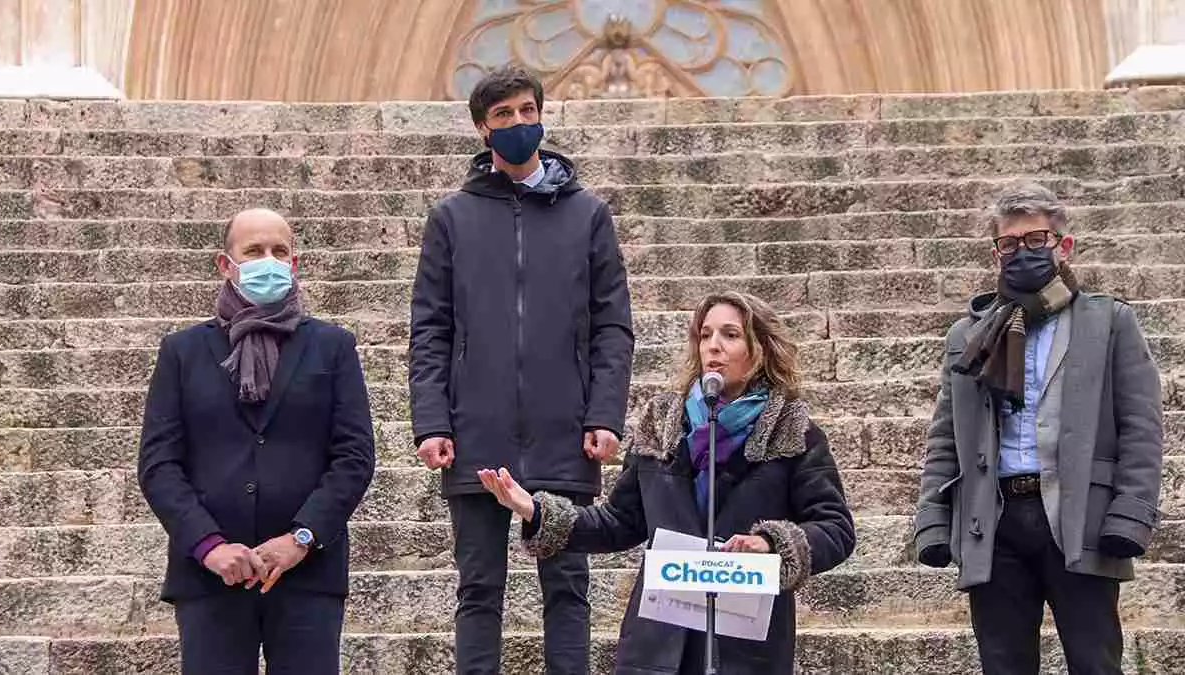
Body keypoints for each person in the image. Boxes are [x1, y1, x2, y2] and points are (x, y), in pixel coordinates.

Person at [476, 291, 856, 675]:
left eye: (730, 335)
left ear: (760, 349)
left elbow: (836, 528)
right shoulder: (662, 424)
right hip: (659, 645)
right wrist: (536, 511)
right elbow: (619, 522)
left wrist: (770, 544)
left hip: (745, 648)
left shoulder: (792, 431)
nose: (714, 346)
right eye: (705, 335)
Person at [408, 65, 634, 674]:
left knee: (567, 588)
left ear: (542, 116)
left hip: (566, 432)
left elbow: (613, 324)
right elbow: (430, 329)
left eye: (526, 112)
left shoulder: (588, 215)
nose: (517, 124)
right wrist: (433, 422)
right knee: (478, 590)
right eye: (503, 115)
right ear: (483, 128)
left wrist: (605, 413)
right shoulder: (451, 218)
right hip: (477, 432)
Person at [914, 182, 1164, 674]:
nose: (1021, 252)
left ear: (1062, 246)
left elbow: (1142, 428)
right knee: (1003, 665)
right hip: (994, 521)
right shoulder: (969, 335)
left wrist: (1130, 516)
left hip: (1081, 522)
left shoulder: (1108, 322)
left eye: (1036, 240)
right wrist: (932, 520)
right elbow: (945, 435)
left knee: (1096, 663)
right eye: (1009, 244)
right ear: (996, 254)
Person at [137, 208, 376, 675]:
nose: (268, 260)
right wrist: (209, 546)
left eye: (279, 251)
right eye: (254, 251)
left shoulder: (333, 347)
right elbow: (159, 464)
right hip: (210, 578)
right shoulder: (182, 352)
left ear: (294, 262)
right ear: (225, 264)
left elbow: (354, 456)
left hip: (307, 573)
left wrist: (302, 537)